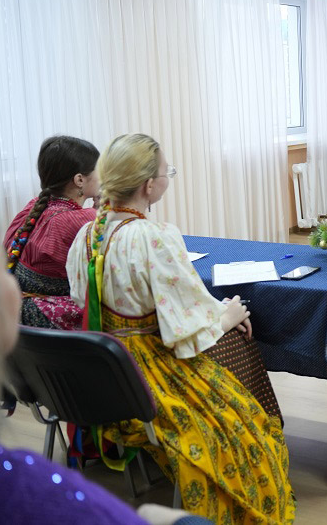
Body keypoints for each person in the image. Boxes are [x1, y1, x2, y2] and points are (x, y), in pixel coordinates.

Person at [66, 134, 296, 523]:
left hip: (103, 368)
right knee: (241, 421)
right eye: (166, 172)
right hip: (145, 369)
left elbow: (81, 299)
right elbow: (184, 323)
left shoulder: (86, 235)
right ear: (148, 185)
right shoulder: (153, 236)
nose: (167, 178)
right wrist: (227, 316)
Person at [0, 192, 205, 524]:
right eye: (2, 270)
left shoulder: (41, 215)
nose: (16, 281)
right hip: (121, 393)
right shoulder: (15, 493)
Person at [4, 136, 100, 330]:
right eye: (99, 170)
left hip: (20, 321)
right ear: (79, 180)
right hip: (51, 322)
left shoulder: (33, 207)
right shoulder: (83, 220)